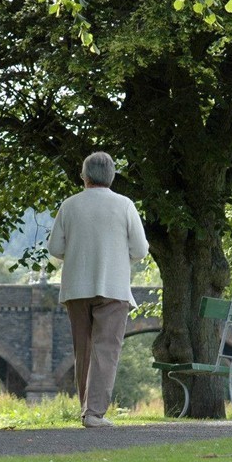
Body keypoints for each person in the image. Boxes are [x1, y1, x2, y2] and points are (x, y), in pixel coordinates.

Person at [47, 151, 149, 428]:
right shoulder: (125, 205)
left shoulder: (69, 205)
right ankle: (94, 412)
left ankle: (87, 409)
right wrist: (119, 257)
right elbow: (140, 249)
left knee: (83, 351)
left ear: (84, 176)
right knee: (106, 350)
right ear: (112, 176)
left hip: (76, 287)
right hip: (113, 287)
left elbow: (55, 248)